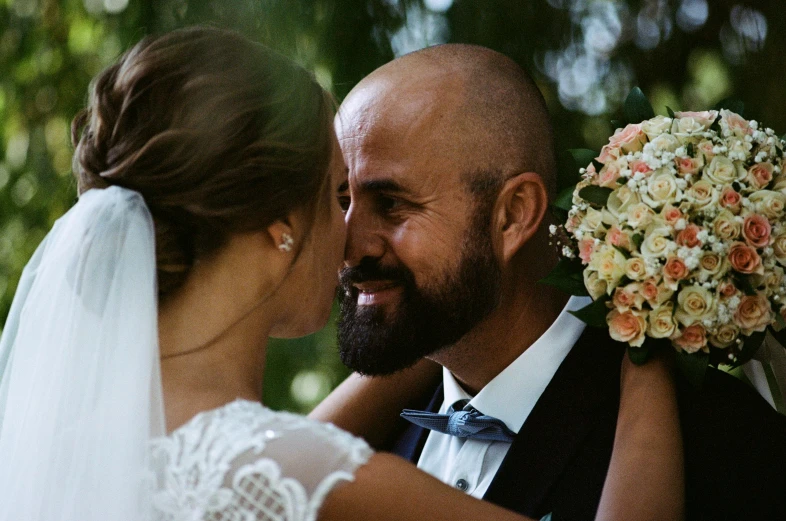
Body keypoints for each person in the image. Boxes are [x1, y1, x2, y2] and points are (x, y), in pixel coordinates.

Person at [0, 27, 682, 521]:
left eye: (388, 202)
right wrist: (647, 305)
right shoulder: (309, 469)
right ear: (277, 222)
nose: (352, 239)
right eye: (340, 196)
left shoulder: (78, 446)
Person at [312, 43, 786, 520]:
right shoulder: (359, 444)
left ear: (514, 215)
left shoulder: (716, 443)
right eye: (340, 199)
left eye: (391, 204)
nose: (348, 249)